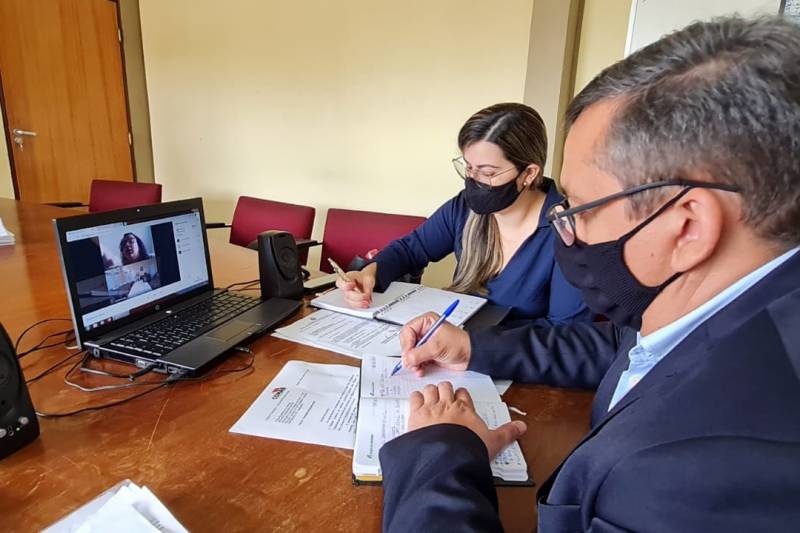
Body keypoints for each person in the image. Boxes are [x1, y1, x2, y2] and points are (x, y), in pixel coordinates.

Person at [380, 16, 800, 532]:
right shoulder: (733, 316)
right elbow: (617, 347)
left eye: (579, 207)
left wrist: (437, 453)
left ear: (688, 227)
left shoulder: (703, 468)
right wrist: (472, 347)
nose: (567, 228)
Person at [337, 103, 591, 325]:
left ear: (529, 173)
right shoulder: (463, 208)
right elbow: (410, 250)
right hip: (449, 349)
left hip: (510, 361)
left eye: (488, 172)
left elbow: (565, 332)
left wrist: (471, 344)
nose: (473, 180)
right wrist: (371, 272)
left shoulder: (570, 232)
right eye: (469, 167)